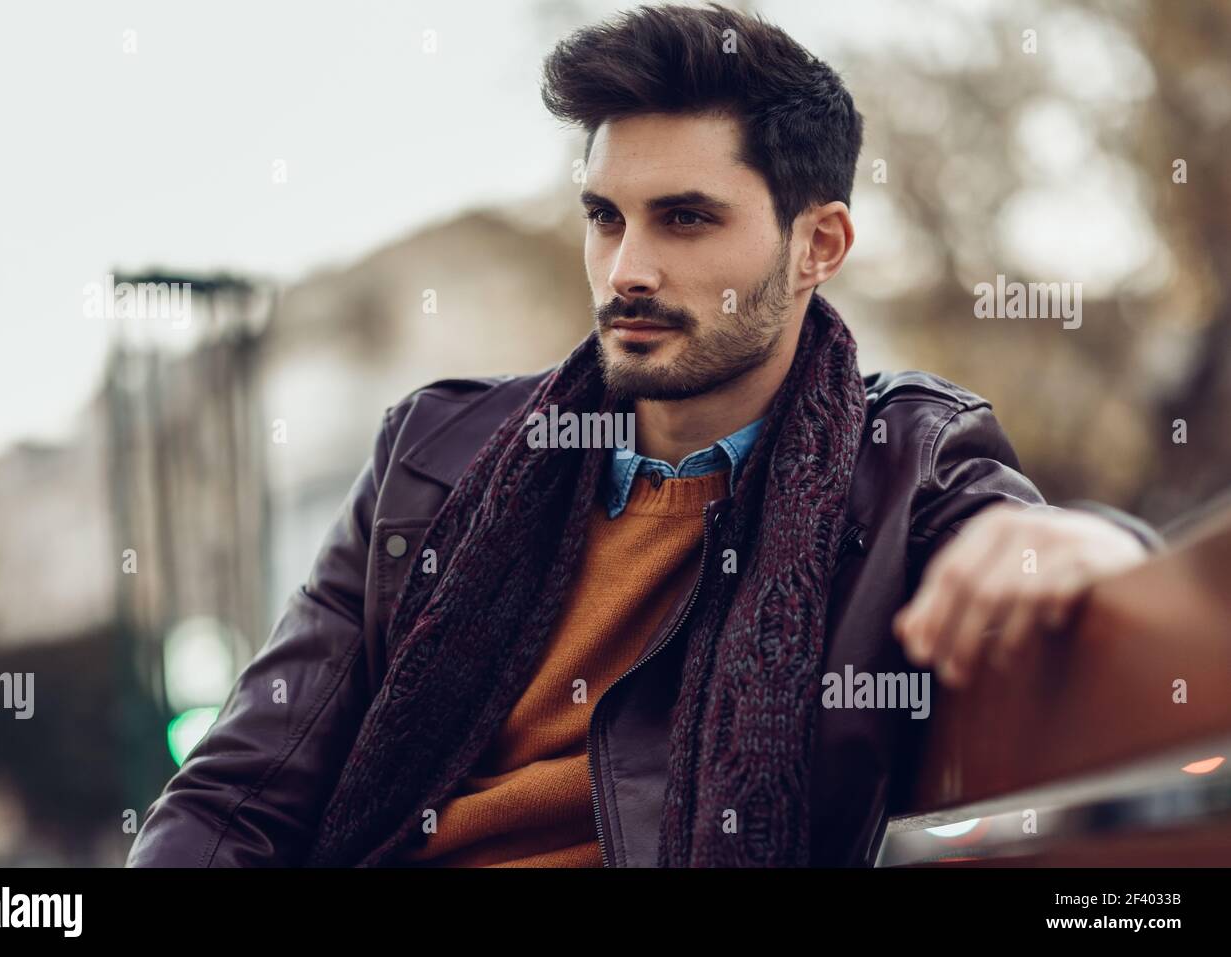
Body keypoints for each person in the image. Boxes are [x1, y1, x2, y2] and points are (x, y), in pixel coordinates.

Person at [126, 3, 1162, 869]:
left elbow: (1019, 540)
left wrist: (1088, 544)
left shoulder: (900, 465)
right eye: (604, 217)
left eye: (685, 219)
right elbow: (234, 799)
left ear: (819, 245)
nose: (626, 268)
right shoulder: (432, 455)